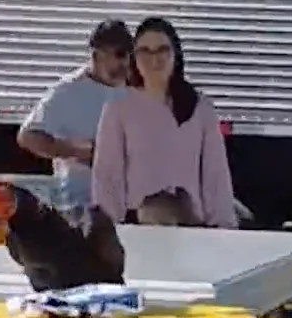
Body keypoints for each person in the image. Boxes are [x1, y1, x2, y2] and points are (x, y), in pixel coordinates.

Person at [92, 17, 240, 229]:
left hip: (191, 226)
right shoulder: (119, 106)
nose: (154, 59)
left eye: (162, 50)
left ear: (175, 54)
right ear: (135, 57)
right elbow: (107, 173)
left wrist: (224, 227)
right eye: (145, 51)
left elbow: (215, 174)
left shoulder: (199, 107)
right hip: (140, 224)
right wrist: (110, 228)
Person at [17, 20, 133, 213]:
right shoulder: (68, 91)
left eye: (129, 55)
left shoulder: (134, 90)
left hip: (125, 205)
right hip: (80, 203)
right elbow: (28, 136)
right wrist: (75, 151)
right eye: (119, 54)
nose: (125, 63)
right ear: (97, 55)